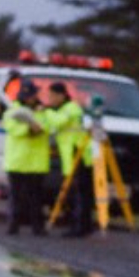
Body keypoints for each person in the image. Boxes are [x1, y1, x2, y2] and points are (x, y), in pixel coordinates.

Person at [44, 81, 93, 237]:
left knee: (80, 193)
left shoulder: (71, 108)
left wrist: (47, 111)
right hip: (70, 155)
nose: (49, 99)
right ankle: (78, 224)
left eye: (52, 96)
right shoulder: (62, 109)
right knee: (74, 192)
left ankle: (80, 226)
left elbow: (58, 122)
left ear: (61, 95)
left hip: (79, 154)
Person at [2, 79, 50, 235]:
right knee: (16, 197)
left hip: (37, 163)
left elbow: (49, 126)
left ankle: (37, 227)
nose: (34, 97)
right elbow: (11, 128)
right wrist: (29, 128)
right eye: (32, 95)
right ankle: (13, 225)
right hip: (17, 161)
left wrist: (39, 127)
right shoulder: (12, 111)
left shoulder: (43, 111)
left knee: (36, 198)